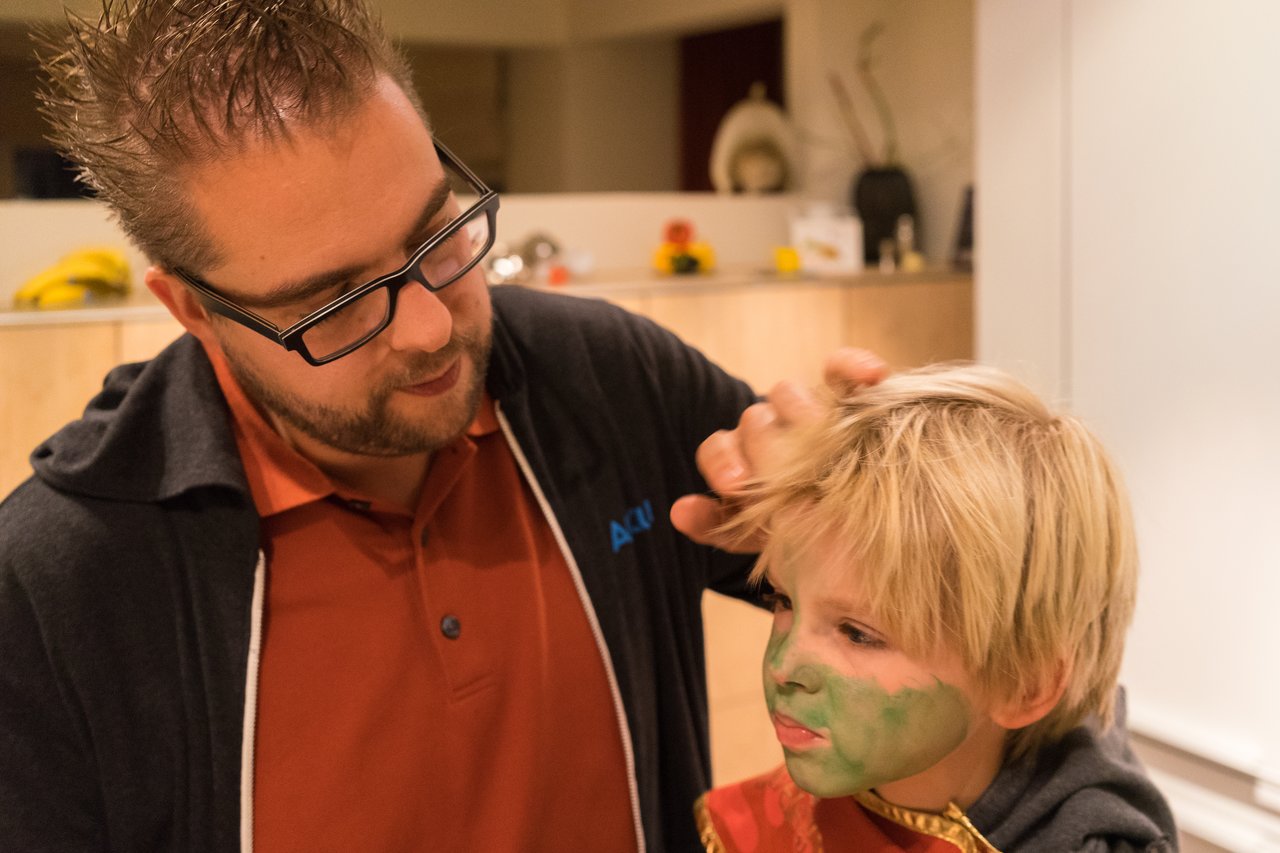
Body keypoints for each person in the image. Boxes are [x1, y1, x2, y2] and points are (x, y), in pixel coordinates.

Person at [0, 2, 888, 850]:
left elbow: (933, 624)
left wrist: (881, 501)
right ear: (193, 309)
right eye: (336, 304)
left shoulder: (606, 378)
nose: (432, 329)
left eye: (437, 238)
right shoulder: (61, 586)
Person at [696, 364, 1179, 852]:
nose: (783, 667)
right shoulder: (766, 819)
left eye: (857, 633)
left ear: (1023, 683)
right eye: (783, 600)